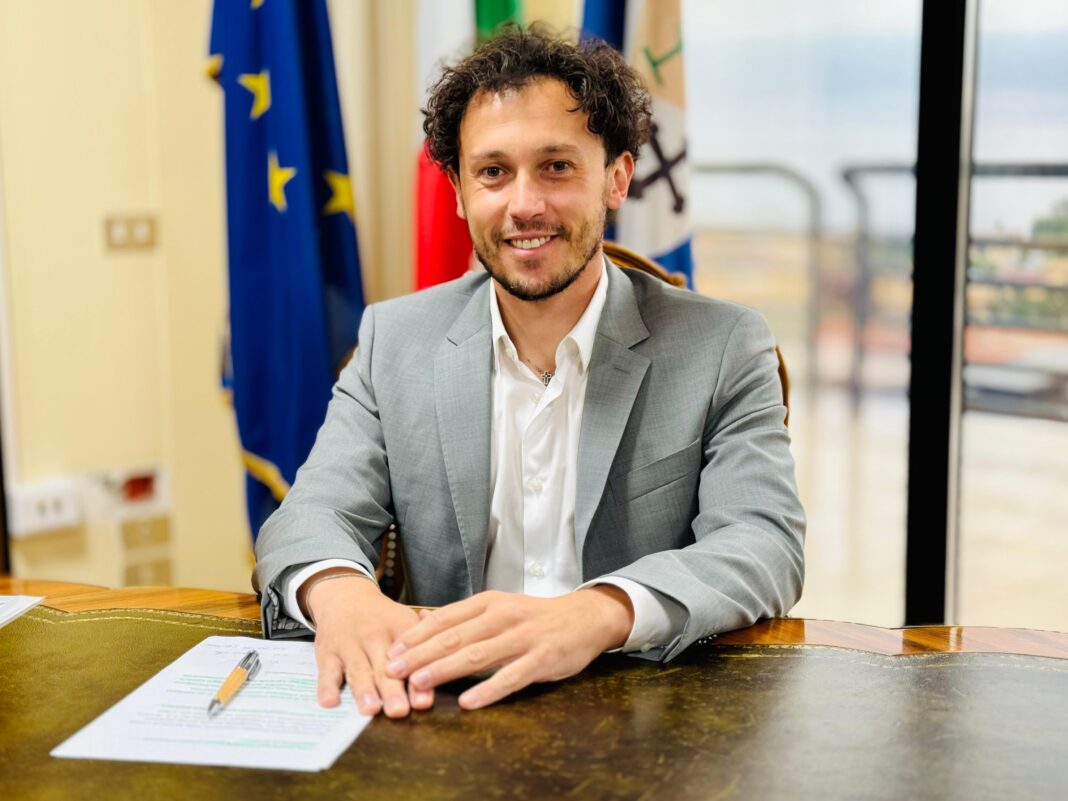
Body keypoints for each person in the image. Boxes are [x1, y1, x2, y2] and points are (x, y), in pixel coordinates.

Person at [252, 26, 804, 719]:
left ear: (618, 178)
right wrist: (342, 594)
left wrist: (597, 612)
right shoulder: (394, 340)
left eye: (556, 166)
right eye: (492, 172)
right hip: (444, 712)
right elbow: (312, 514)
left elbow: (763, 541)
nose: (524, 205)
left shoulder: (722, 345)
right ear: (458, 191)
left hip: (642, 715)